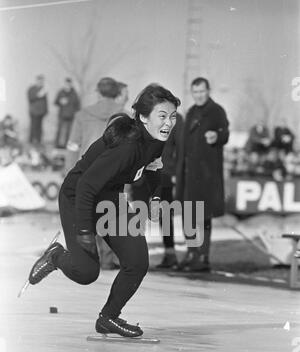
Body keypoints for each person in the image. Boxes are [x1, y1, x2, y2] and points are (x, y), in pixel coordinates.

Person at [27, 84, 180, 338]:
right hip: (78, 197)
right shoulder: (128, 146)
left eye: (172, 116)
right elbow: (86, 186)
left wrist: (154, 197)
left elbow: (154, 169)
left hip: (110, 198)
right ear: (143, 117)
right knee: (86, 272)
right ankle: (56, 257)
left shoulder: (156, 139)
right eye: (162, 116)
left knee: (137, 261)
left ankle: (109, 318)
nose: (169, 123)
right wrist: (86, 232)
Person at [66, 77, 125, 269]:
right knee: (111, 212)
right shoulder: (124, 116)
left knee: (88, 211)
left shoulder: (82, 115)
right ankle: (110, 257)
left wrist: (70, 171)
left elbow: (73, 146)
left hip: (87, 170)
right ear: (117, 93)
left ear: (98, 93)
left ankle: (92, 257)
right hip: (114, 171)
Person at [176, 77, 229, 272]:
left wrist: (217, 136)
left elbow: (225, 133)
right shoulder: (190, 112)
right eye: (195, 92)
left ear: (208, 91)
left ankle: (203, 256)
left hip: (207, 174)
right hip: (189, 174)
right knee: (188, 215)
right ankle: (191, 253)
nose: (198, 95)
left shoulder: (216, 111)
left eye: (201, 92)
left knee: (204, 216)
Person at [156, 113, 184, 268]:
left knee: (164, 214)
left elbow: (180, 147)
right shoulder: (144, 114)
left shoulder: (175, 118)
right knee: (138, 213)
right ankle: (132, 254)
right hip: (143, 172)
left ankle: (170, 254)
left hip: (164, 172)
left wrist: (176, 172)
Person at [54, 78, 80, 148]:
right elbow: (55, 102)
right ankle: (57, 145)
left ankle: (66, 145)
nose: (67, 86)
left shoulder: (74, 93)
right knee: (59, 130)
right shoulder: (61, 92)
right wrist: (60, 101)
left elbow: (77, 105)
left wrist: (76, 114)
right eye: (66, 84)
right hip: (62, 114)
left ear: (71, 84)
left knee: (69, 132)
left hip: (71, 115)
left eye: (69, 84)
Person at [27, 75, 48, 145]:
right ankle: (31, 141)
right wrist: (38, 95)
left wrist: (46, 110)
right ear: (37, 81)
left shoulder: (43, 90)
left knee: (39, 127)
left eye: (42, 81)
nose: (41, 82)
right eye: (40, 81)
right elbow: (30, 98)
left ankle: (38, 141)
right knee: (33, 127)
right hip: (34, 112)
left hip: (41, 112)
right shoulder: (32, 89)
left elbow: (45, 101)